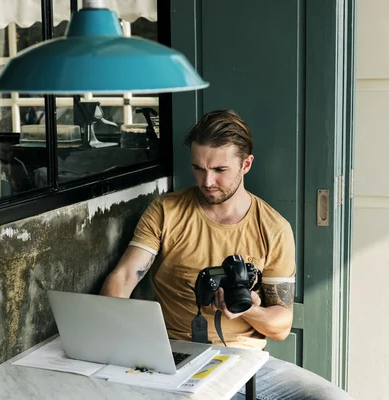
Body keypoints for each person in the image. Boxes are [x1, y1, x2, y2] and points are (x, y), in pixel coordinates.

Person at [100, 109, 354, 400]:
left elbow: (282, 325)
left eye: (220, 170)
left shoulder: (273, 228)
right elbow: (122, 278)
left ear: (246, 164)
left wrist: (248, 309)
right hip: (174, 355)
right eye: (198, 168)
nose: (207, 181)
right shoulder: (165, 211)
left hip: (246, 363)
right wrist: (117, 347)